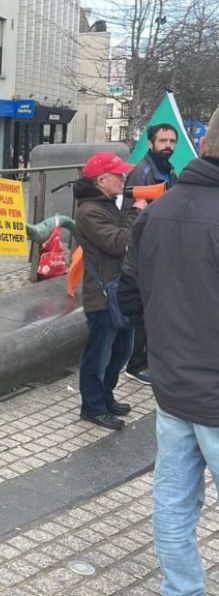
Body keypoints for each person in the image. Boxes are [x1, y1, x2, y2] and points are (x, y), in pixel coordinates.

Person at [123, 107, 219, 596]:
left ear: (202, 145)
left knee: (174, 502)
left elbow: (129, 293)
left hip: (172, 388)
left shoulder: (158, 209)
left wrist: (158, 347)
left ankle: (181, 590)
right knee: (174, 501)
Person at [75, 151, 147, 430]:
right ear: (101, 180)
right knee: (99, 354)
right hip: (103, 295)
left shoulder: (105, 204)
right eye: (117, 174)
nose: (123, 178)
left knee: (121, 351)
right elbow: (118, 243)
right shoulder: (89, 211)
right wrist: (135, 214)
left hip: (119, 292)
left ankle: (106, 396)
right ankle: (92, 406)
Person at [122, 123, 179, 386]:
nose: (168, 145)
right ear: (150, 143)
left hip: (162, 250)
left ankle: (148, 360)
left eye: (172, 141)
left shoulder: (168, 170)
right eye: (163, 140)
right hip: (145, 254)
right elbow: (134, 216)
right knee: (142, 311)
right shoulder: (143, 173)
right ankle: (136, 364)